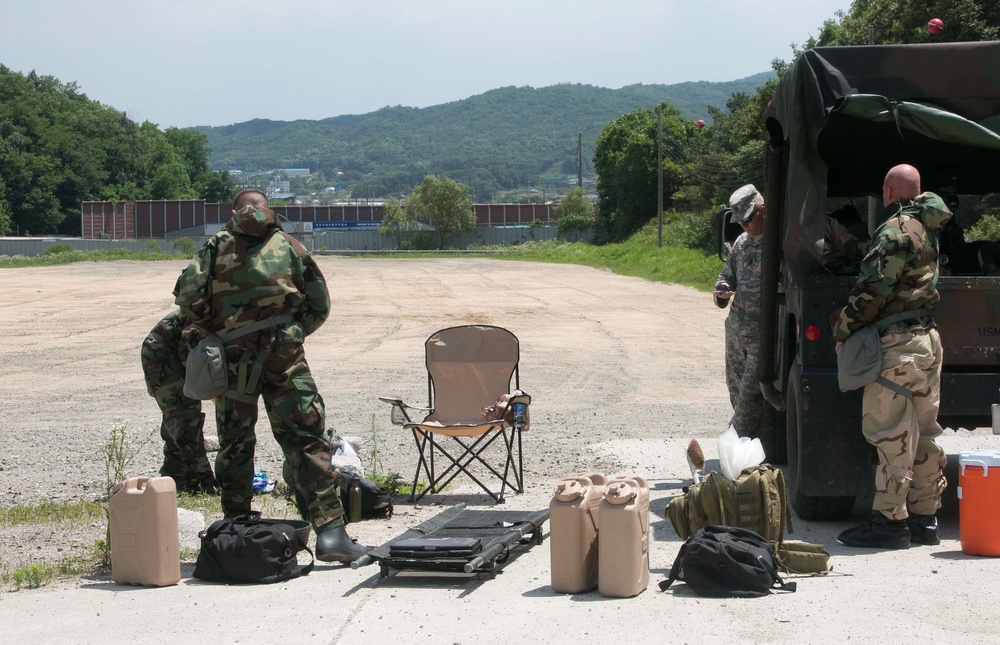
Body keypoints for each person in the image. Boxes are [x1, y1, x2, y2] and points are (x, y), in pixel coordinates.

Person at [173, 189, 367, 564]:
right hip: (285, 357)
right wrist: (289, 334)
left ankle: (236, 526)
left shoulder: (215, 246)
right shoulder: (290, 244)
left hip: (232, 359)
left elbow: (187, 298)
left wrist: (221, 330)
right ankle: (331, 533)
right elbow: (319, 304)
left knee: (235, 442)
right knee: (306, 439)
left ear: (234, 211)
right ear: (268, 211)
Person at [833, 164, 953, 549]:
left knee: (892, 433)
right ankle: (925, 519)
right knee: (925, 433)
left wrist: (843, 330)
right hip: (926, 341)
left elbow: (872, 290)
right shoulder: (929, 225)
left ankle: (889, 522)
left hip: (897, 344)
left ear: (887, 190)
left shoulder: (895, 230)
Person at [140, 310, 219, 495]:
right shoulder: (212, 310)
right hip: (163, 354)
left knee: (177, 415)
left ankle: (175, 473)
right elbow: (190, 346)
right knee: (184, 416)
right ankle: (201, 479)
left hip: (180, 351)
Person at [714, 184, 766, 439]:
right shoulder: (742, 242)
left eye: (747, 218)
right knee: (735, 391)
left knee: (750, 394)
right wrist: (721, 290)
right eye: (739, 220)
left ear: (762, 210)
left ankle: (733, 441)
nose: (743, 225)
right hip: (737, 331)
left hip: (762, 334)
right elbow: (727, 277)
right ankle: (751, 446)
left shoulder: (781, 241)